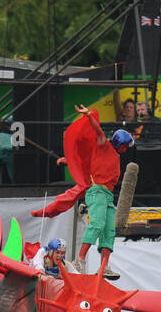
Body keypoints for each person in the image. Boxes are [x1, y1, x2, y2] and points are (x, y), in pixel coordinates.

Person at [31, 104, 133, 280]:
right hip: (97, 192)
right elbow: (99, 132)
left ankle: (105, 266)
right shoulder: (104, 145)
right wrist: (89, 116)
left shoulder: (113, 155)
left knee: (109, 230)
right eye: (126, 145)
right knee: (97, 224)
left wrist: (69, 161)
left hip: (107, 196)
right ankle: (80, 260)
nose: (126, 148)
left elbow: (87, 163)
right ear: (120, 143)